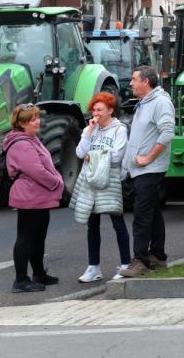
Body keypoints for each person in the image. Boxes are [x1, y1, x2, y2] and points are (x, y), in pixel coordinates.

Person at [119, 66, 176, 278]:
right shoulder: (144, 103)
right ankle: (158, 256)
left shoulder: (160, 102)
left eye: (134, 79)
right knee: (152, 212)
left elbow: (168, 132)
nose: (131, 83)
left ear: (146, 82)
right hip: (140, 169)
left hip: (149, 169)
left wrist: (149, 158)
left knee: (142, 215)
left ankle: (141, 260)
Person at [71, 92, 130, 283]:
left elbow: (117, 156)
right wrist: (88, 133)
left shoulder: (119, 129)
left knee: (117, 222)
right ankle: (93, 267)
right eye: (94, 109)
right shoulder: (90, 130)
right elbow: (80, 153)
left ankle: (125, 265)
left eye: (100, 110)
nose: (95, 113)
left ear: (110, 110)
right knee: (92, 224)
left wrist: (94, 155)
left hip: (110, 181)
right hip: (90, 182)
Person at [4, 104, 63, 293]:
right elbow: (36, 170)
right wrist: (56, 183)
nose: (37, 121)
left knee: (38, 237)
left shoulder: (31, 139)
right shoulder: (22, 144)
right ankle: (20, 281)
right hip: (29, 196)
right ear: (21, 123)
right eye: (32, 119)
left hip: (38, 196)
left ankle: (39, 274)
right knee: (26, 238)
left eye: (37, 117)